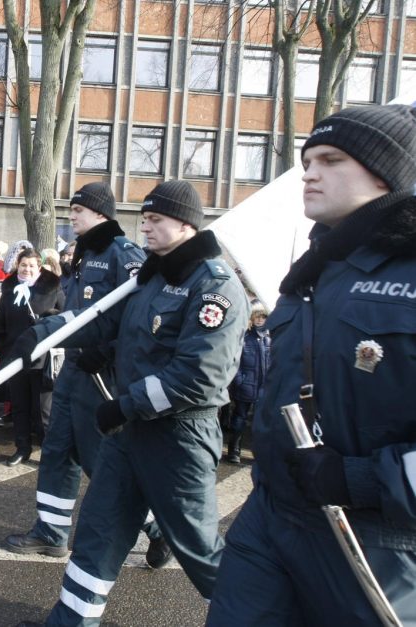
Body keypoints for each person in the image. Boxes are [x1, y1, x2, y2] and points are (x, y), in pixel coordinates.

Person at [207, 104, 416, 625]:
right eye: (307, 159)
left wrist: (364, 479)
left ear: (388, 173)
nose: (310, 172)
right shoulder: (314, 272)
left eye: (332, 159)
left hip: (375, 537)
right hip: (272, 518)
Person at [13, 180, 249, 625]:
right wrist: (41, 335)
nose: (145, 227)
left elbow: (200, 375)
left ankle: (252, 616)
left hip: (178, 436)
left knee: (199, 549)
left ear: (185, 223)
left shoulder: (214, 286)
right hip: (131, 430)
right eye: (143, 219)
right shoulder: (152, 276)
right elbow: (103, 321)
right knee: (98, 533)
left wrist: (125, 405)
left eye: (155, 220)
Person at [3, 182, 173, 567]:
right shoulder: (83, 254)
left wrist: (106, 351)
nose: (71, 216)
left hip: (101, 377)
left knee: (101, 463)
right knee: (57, 451)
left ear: (100, 213)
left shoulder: (122, 254)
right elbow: (80, 309)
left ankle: (159, 529)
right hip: (72, 369)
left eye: (78, 210)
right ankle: (50, 532)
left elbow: (135, 316)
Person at [0, 248, 65, 466]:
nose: (27, 269)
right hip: (15, 356)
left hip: (42, 355)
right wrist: (1, 348)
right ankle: (22, 447)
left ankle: (48, 450)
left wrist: (48, 320)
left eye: (32, 265)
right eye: (23, 265)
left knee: (43, 409)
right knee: (20, 406)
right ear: (18, 266)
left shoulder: (53, 288)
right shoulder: (10, 289)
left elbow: (65, 315)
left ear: (39, 267)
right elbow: (0, 321)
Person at [225, 300, 270, 464]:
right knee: (239, 419)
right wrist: (239, 381)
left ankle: (258, 451)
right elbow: (234, 360)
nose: (259, 319)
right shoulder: (244, 337)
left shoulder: (269, 338)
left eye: (262, 316)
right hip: (245, 386)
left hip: (263, 388)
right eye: (256, 316)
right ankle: (234, 450)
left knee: (261, 421)